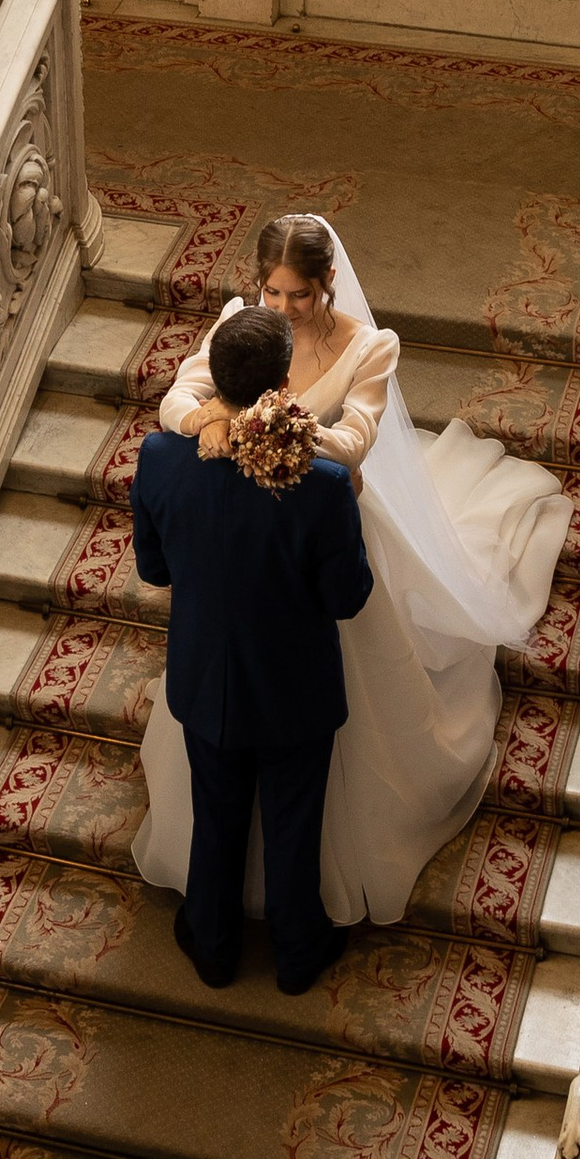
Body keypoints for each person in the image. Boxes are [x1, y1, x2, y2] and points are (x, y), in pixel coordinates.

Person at [134, 211, 570, 930]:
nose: (282, 308)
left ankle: (281, 911)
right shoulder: (242, 328)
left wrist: (285, 435)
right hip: (266, 530)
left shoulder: (369, 346)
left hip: (319, 518)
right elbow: (179, 397)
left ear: (326, 285)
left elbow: (358, 437)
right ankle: (268, 923)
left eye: (297, 296)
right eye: (271, 293)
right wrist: (214, 425)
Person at [129, 305, 374, 995]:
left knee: (218, 812)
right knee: (295, 822)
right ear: (281, 383)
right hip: (295, 684)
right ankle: (298, 953)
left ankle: (212, 944)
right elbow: (347, 596)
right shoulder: (321, 483)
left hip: (208, 676)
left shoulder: (158, 457)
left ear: (215, 381)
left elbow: (154, 570)